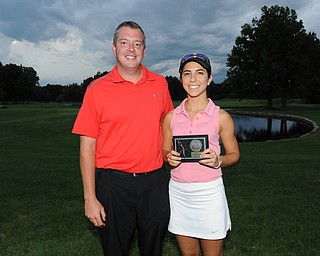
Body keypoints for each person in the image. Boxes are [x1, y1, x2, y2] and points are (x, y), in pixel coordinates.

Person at [72, 21, 174, 256]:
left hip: (155, 182)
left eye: (137, 44)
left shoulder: (160, 83)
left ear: (144, 50)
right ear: (114, 48)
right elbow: (87, 145)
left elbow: (167, 125)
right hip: (113, 184)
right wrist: (90, 197)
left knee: (153, 249)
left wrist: (171, 154)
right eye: (124, 43)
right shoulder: (96, 89)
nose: (131, 49)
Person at [162, 53, 240, 256]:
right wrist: (168, 157)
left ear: (209, 78)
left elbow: (234, 154)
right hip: (178, 193)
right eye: (187, 74)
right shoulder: (170, 116)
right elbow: (163, 151)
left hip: (209, 193)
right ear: (181, 80)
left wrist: (218, 160)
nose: (193, 79)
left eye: (200, 73)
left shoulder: (221, 117)